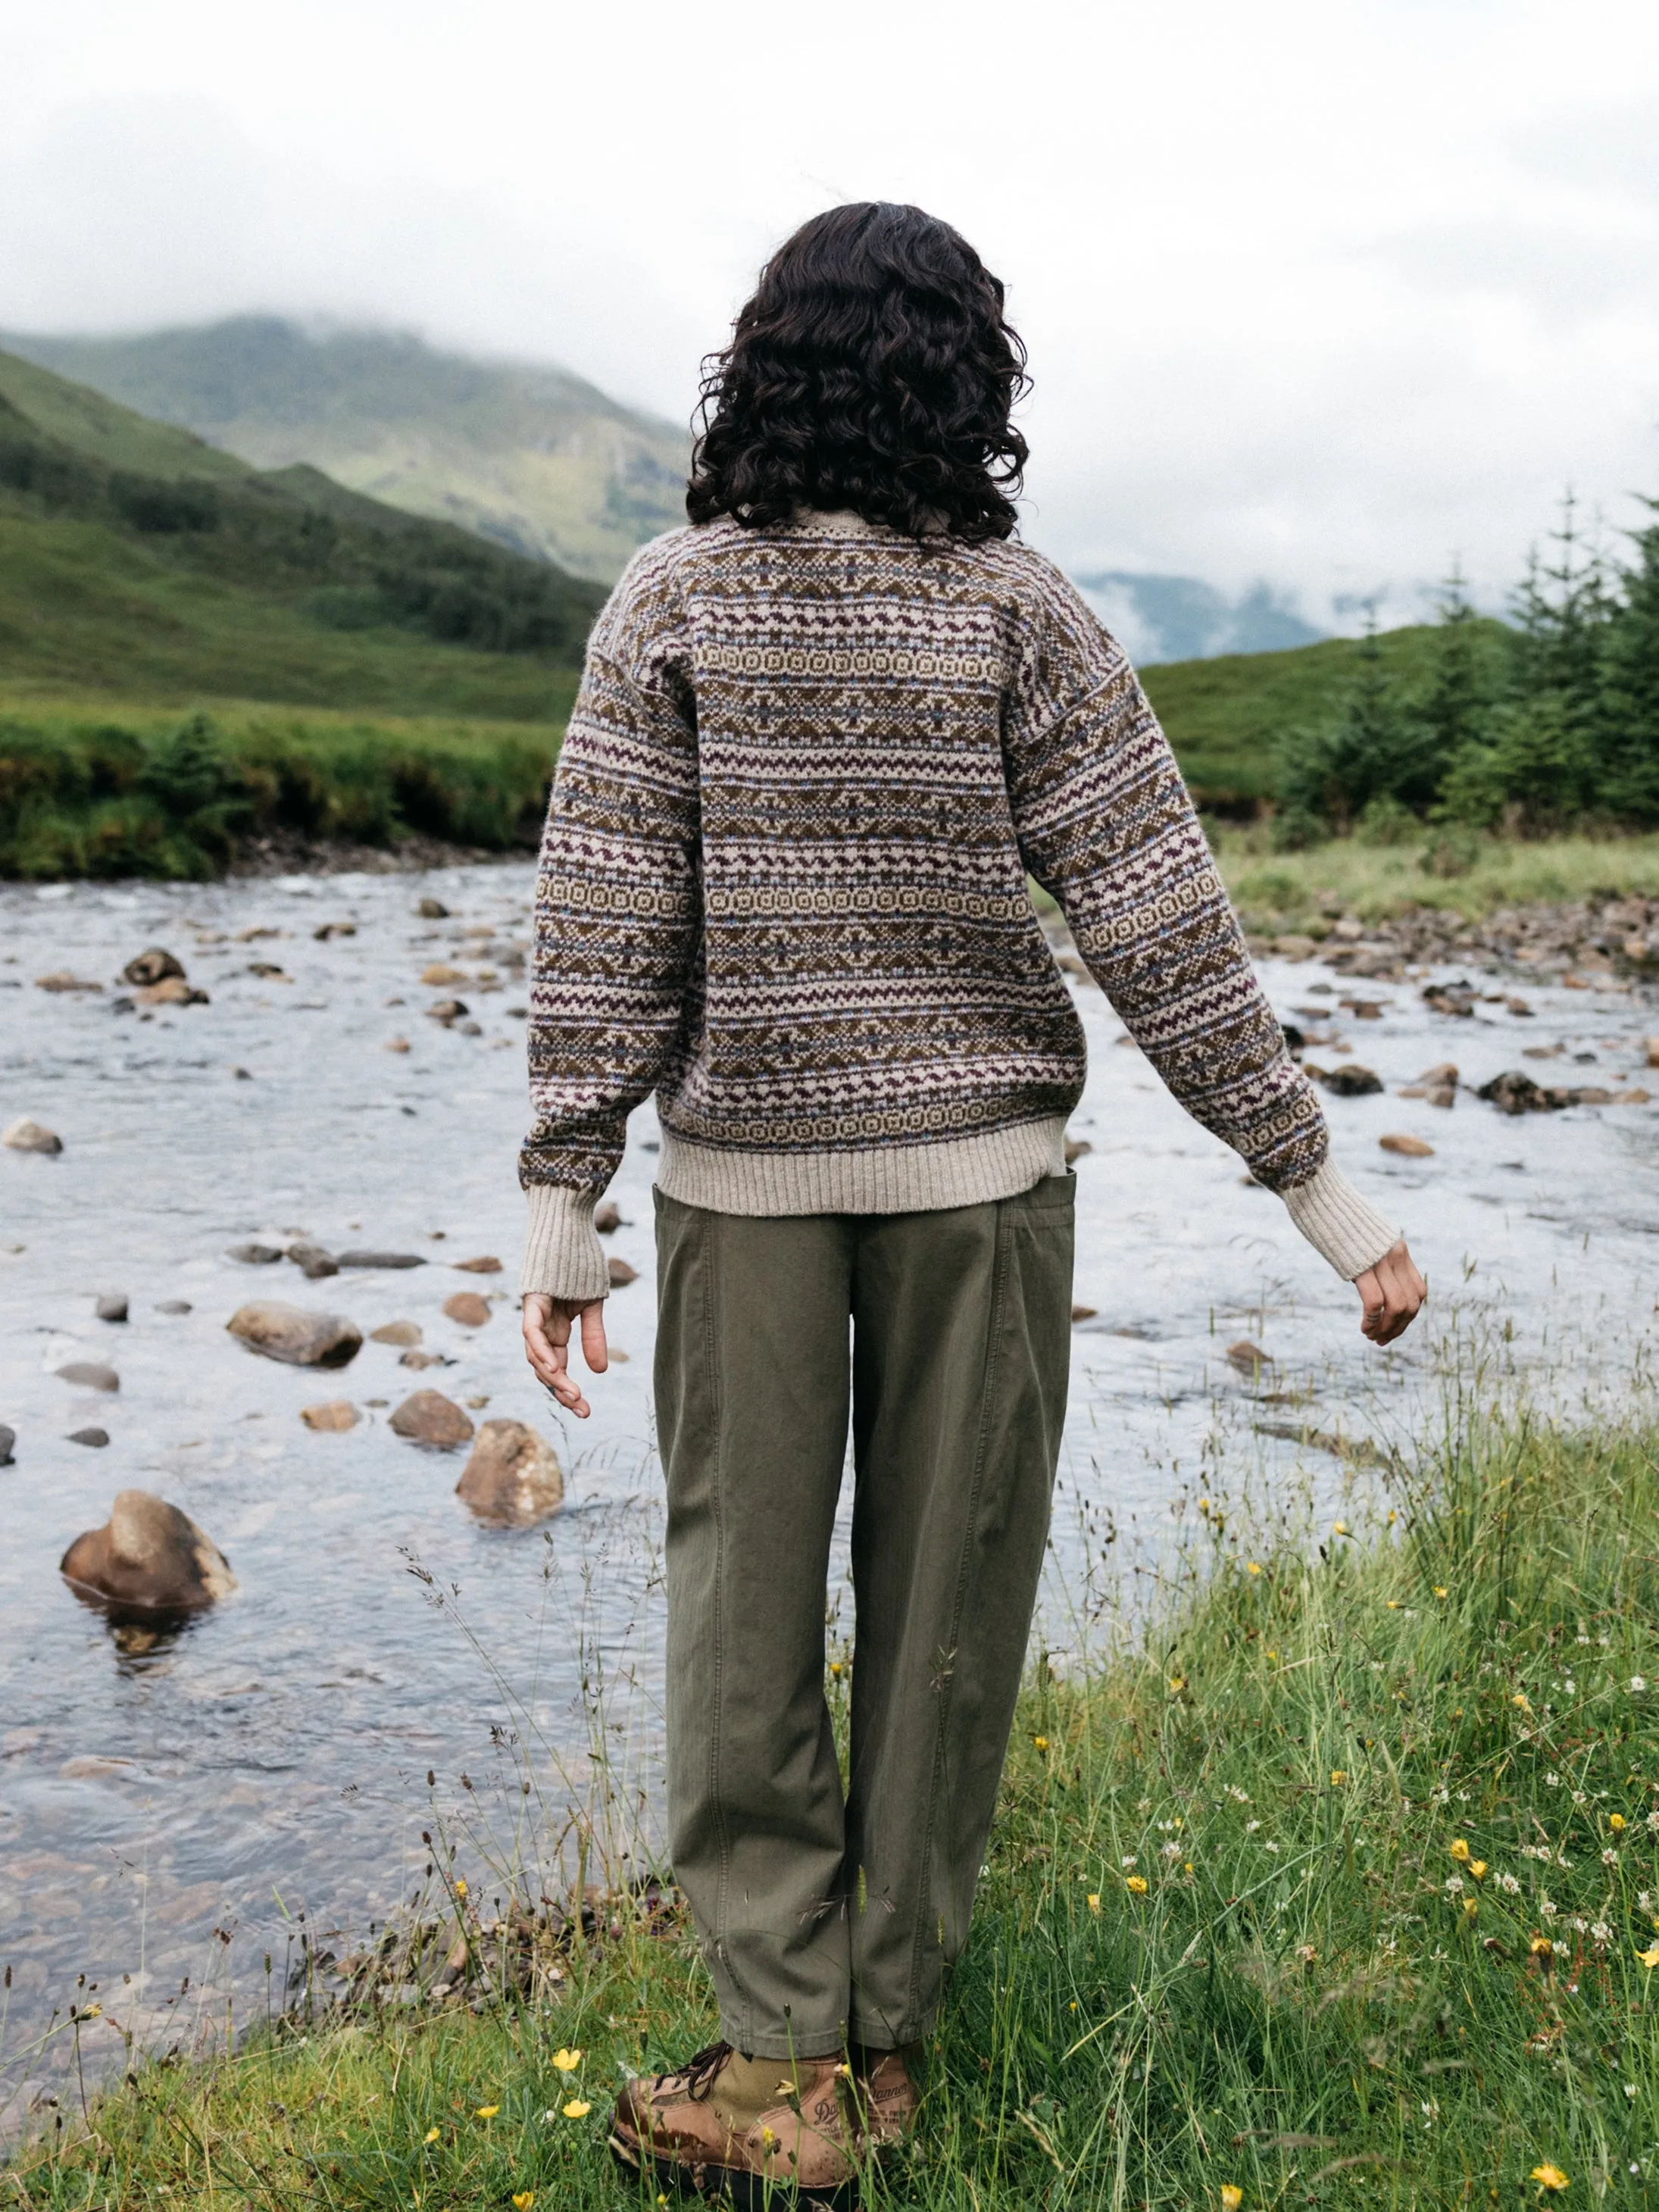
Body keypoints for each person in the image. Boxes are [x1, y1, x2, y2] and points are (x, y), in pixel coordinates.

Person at [519, 200, 1426, 2208]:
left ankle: (783, 2067)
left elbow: (604, 920)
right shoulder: (1023, 608)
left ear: (763, 361)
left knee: (735, 1622)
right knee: (949, 1617)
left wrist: (558, 1193)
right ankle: (881, 2045)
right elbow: (1156, 922)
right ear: (965, 376)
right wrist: (1325, 1194)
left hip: (740, 1191)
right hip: (987, 1199)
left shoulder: (667, 597)